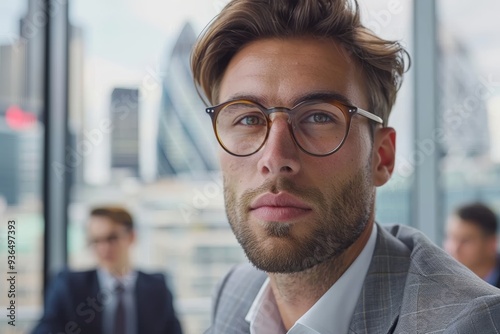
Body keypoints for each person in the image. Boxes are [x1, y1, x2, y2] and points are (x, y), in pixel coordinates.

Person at [190, 0, 500, 332]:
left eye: (319, 117)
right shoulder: (235, 292)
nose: (275, 158)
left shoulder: (470, 324)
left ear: (381, 157)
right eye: (248, 118)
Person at [32, 206, 183, 334]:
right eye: (96, 241)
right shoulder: (69, 286)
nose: (103, 249)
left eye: (112, 238)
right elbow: (46, 329)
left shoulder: (157, 287)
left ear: (131, 237)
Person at [444, 202, 500, 288]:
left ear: (491, 243)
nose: (455, 248)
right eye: (452, 237)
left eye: (466, 240)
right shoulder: (441, 282)